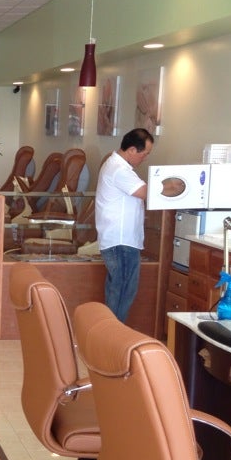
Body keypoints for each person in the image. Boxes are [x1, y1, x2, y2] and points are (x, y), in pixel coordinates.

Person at [95, 127, 153, 322]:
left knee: (118, 290)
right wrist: (174, 187)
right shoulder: (119, 169)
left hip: (119, 240)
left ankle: (111, 333)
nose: (145, 158)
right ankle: (114, 334)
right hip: (121, 242)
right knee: (122, 292)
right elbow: (145, 193)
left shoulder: (115, 165)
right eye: (145, 154)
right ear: (132, 150)